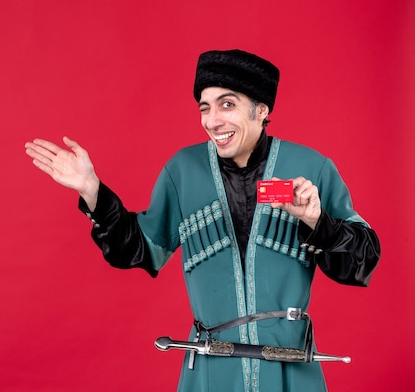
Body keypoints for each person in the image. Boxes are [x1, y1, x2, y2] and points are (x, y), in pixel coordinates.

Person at [24, 49, 380, 392]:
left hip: (290, 365)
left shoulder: (311, 168)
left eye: (227, 104)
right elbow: (139, 250)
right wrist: (93, 192)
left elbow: (359, 263)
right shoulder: (182, 170)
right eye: (205, 108)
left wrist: (318, 221)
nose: (212, 120)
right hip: (212, 367)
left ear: (262, 110)